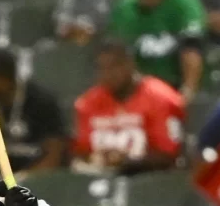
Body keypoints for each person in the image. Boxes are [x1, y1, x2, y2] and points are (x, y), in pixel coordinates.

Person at [72, 39, 185, 175]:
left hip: (150, 182)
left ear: (130, 64)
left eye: (114, 66)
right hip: (101, 181)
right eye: (102, 68)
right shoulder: (88, 103)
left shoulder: (161, 98)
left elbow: (170, 156)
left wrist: (127, 161)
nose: (108, 74)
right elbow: (82, 152)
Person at [109, 0, 206, 101]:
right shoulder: (124, 6)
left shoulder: (185, 3)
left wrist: (185, 97)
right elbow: (113, 58)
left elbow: (192, 52)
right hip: (133, 97)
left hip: (173, 93)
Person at [0, 47, 67, 176]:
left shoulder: (42, 102)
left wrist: (24, 180)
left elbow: (54, 155)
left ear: (3, 79)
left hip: (36, 181)